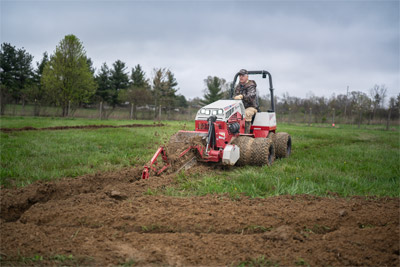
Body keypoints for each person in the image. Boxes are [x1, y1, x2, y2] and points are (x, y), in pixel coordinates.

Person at [234, 69, 257, 134]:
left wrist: (242, 96)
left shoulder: (251, 85)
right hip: (240, 107)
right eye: (240, 75)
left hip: (251, 107)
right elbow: (235, 96)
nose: (241, 77)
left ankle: (245, 135)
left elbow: (251, 97)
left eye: (243, 75)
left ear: (247, 76)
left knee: (245, 114)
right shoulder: (238, 86)